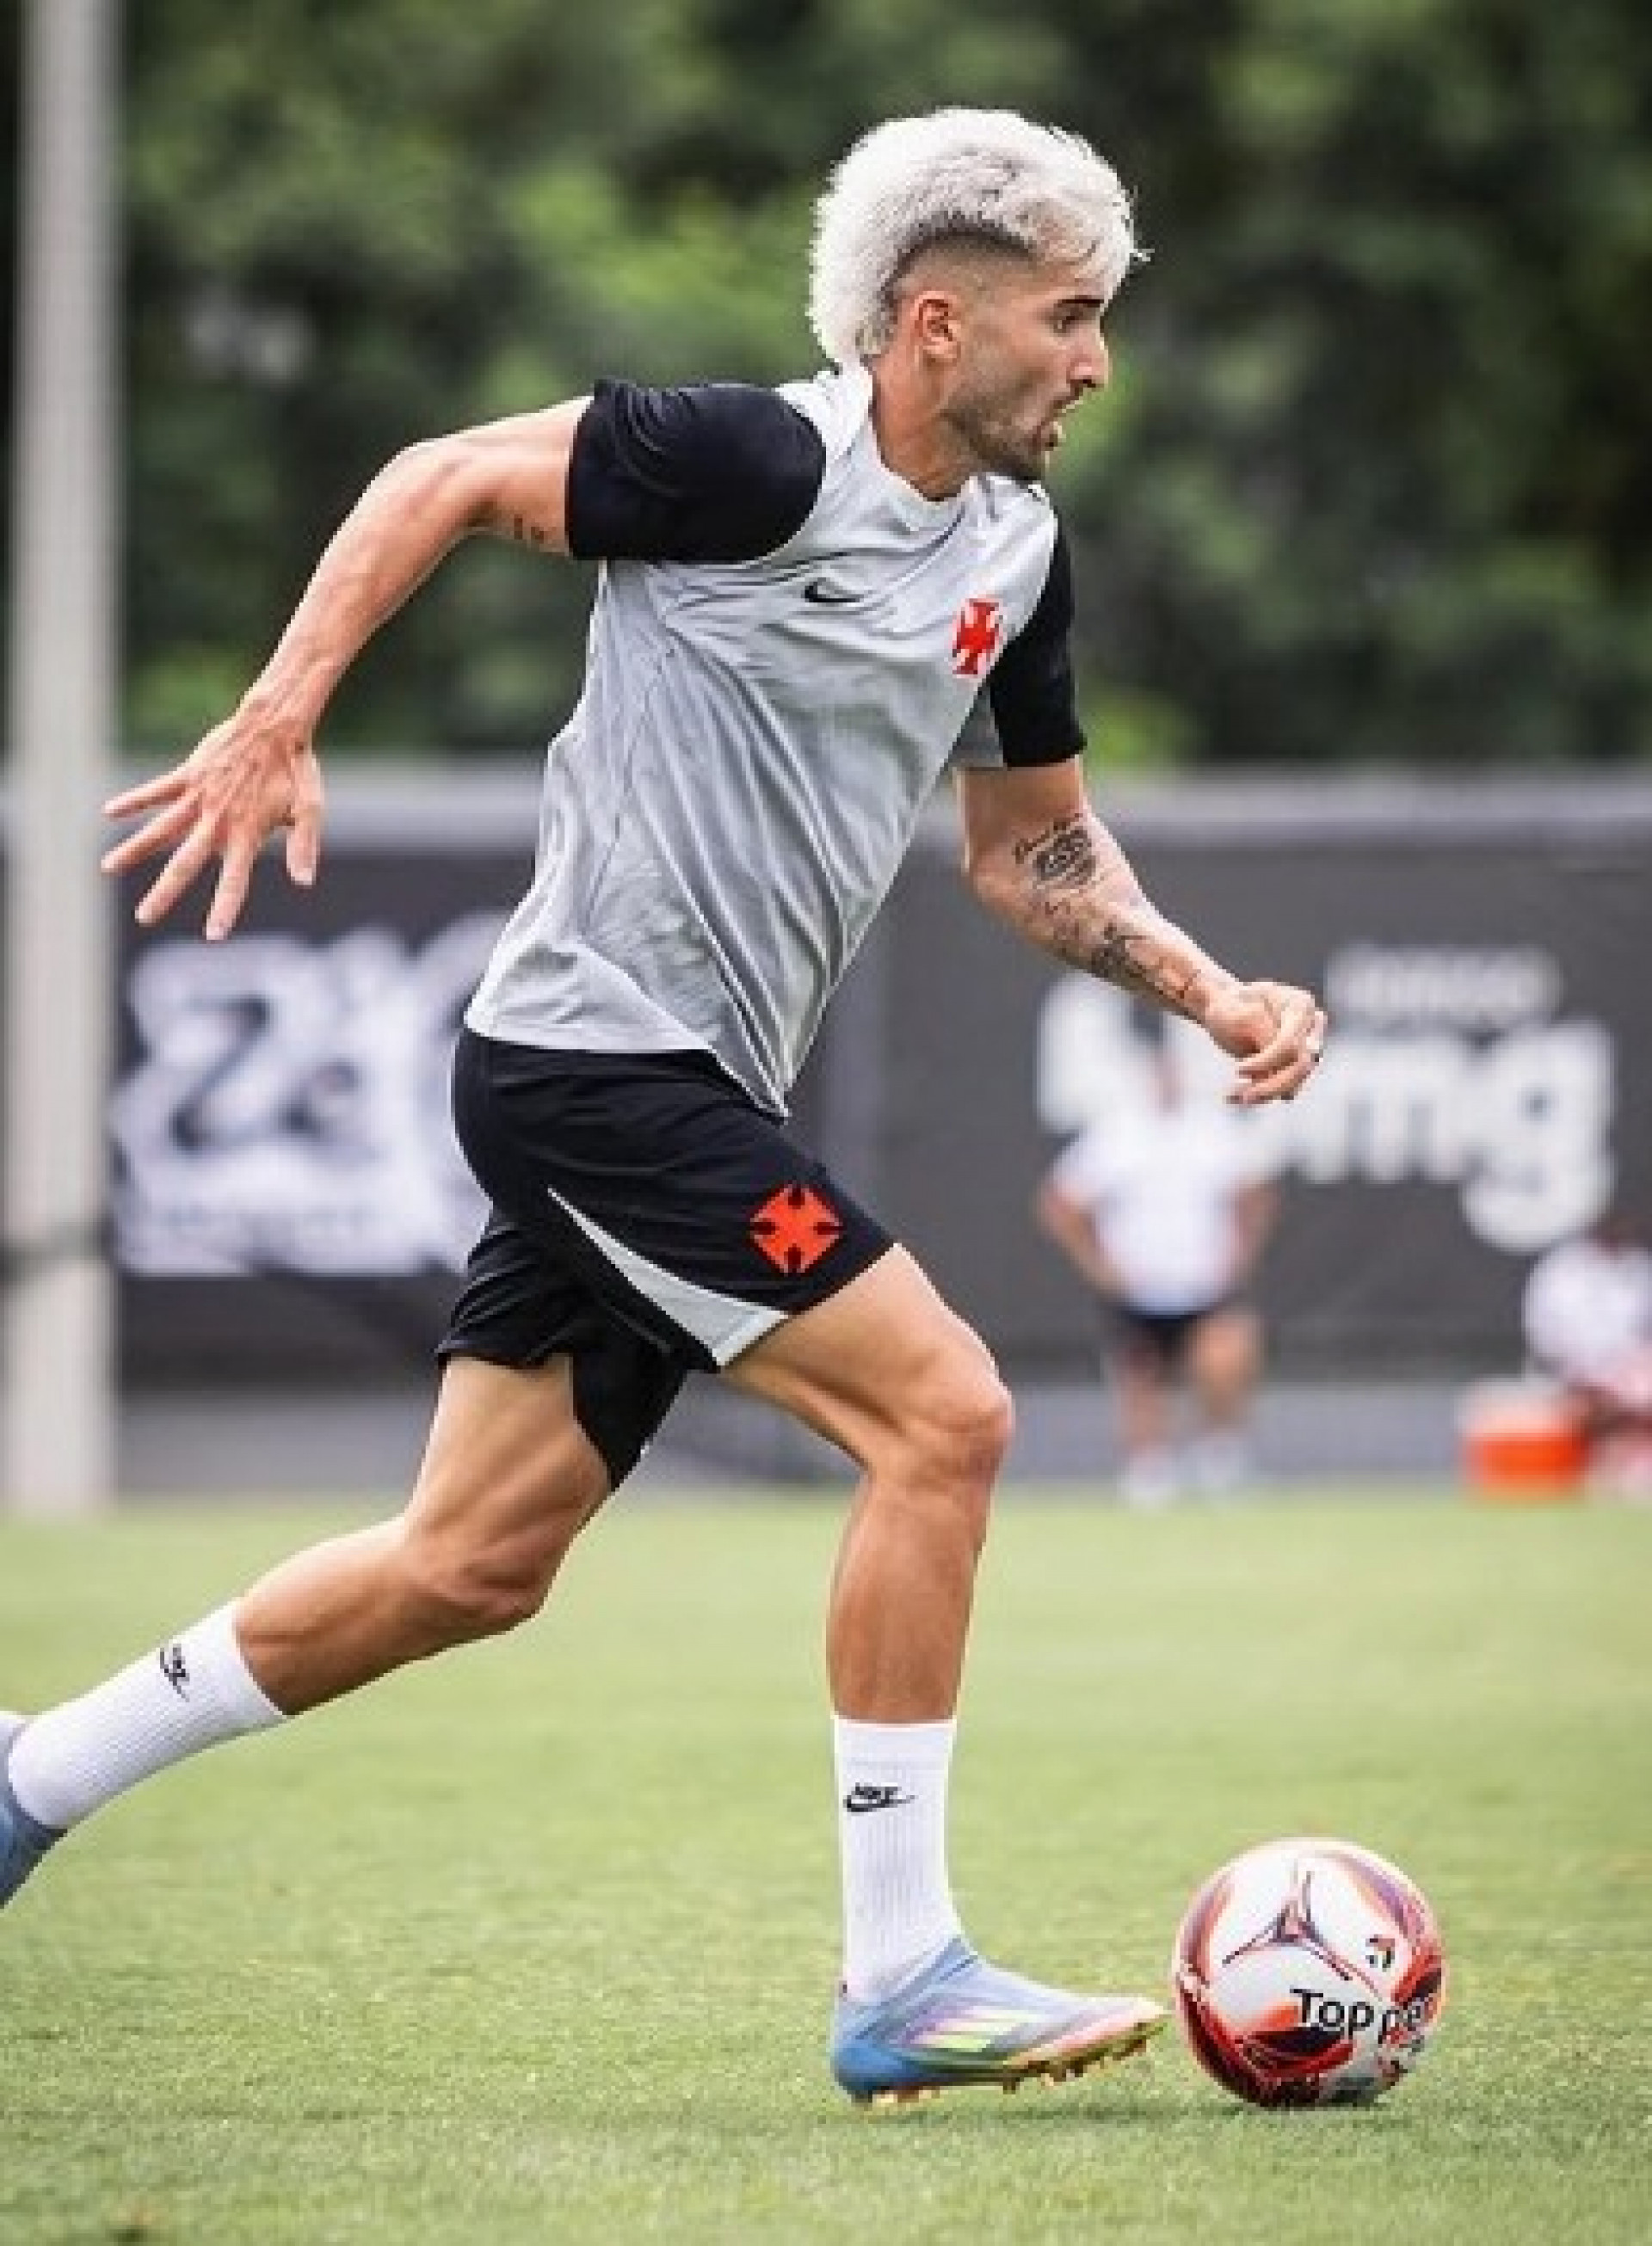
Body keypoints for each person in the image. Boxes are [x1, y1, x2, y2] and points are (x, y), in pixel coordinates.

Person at [0, 108, 1326, 2105]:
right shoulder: (751, 458)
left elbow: (1030, 852)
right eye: (1071, 318)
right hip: (595, 1062)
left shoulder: (1015, 553)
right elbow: (443, 474)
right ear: (932, 319)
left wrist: (1211, 986)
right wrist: (275, 710)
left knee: (468, 1561)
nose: (1097, 362)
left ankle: (26, 1778)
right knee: (946, 1412)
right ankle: (901, 1972)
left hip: (667, 1085)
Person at [1037, 1039, 1277, 1504]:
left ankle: (1221, 1457)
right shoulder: (1117, 1135)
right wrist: (1100, 1267)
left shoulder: (1214, 1130)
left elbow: (1255, 1193)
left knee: (1226, 1359)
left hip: (1205, 1285)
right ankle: (1149, 1469)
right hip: (1139, 1290)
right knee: (1141, 1377)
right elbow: (1062, 1203)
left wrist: (1239, 1256)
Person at [1521, 1209, 1652, 1482]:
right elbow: (1545, 1333)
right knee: (1589, 1407)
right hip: (1571, 1375)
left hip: (1628, 1374)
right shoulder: (1561, 1270)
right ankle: (1592, 1469)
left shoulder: (1639, 1268)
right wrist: (1583, 1378)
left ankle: (1635, 1467)